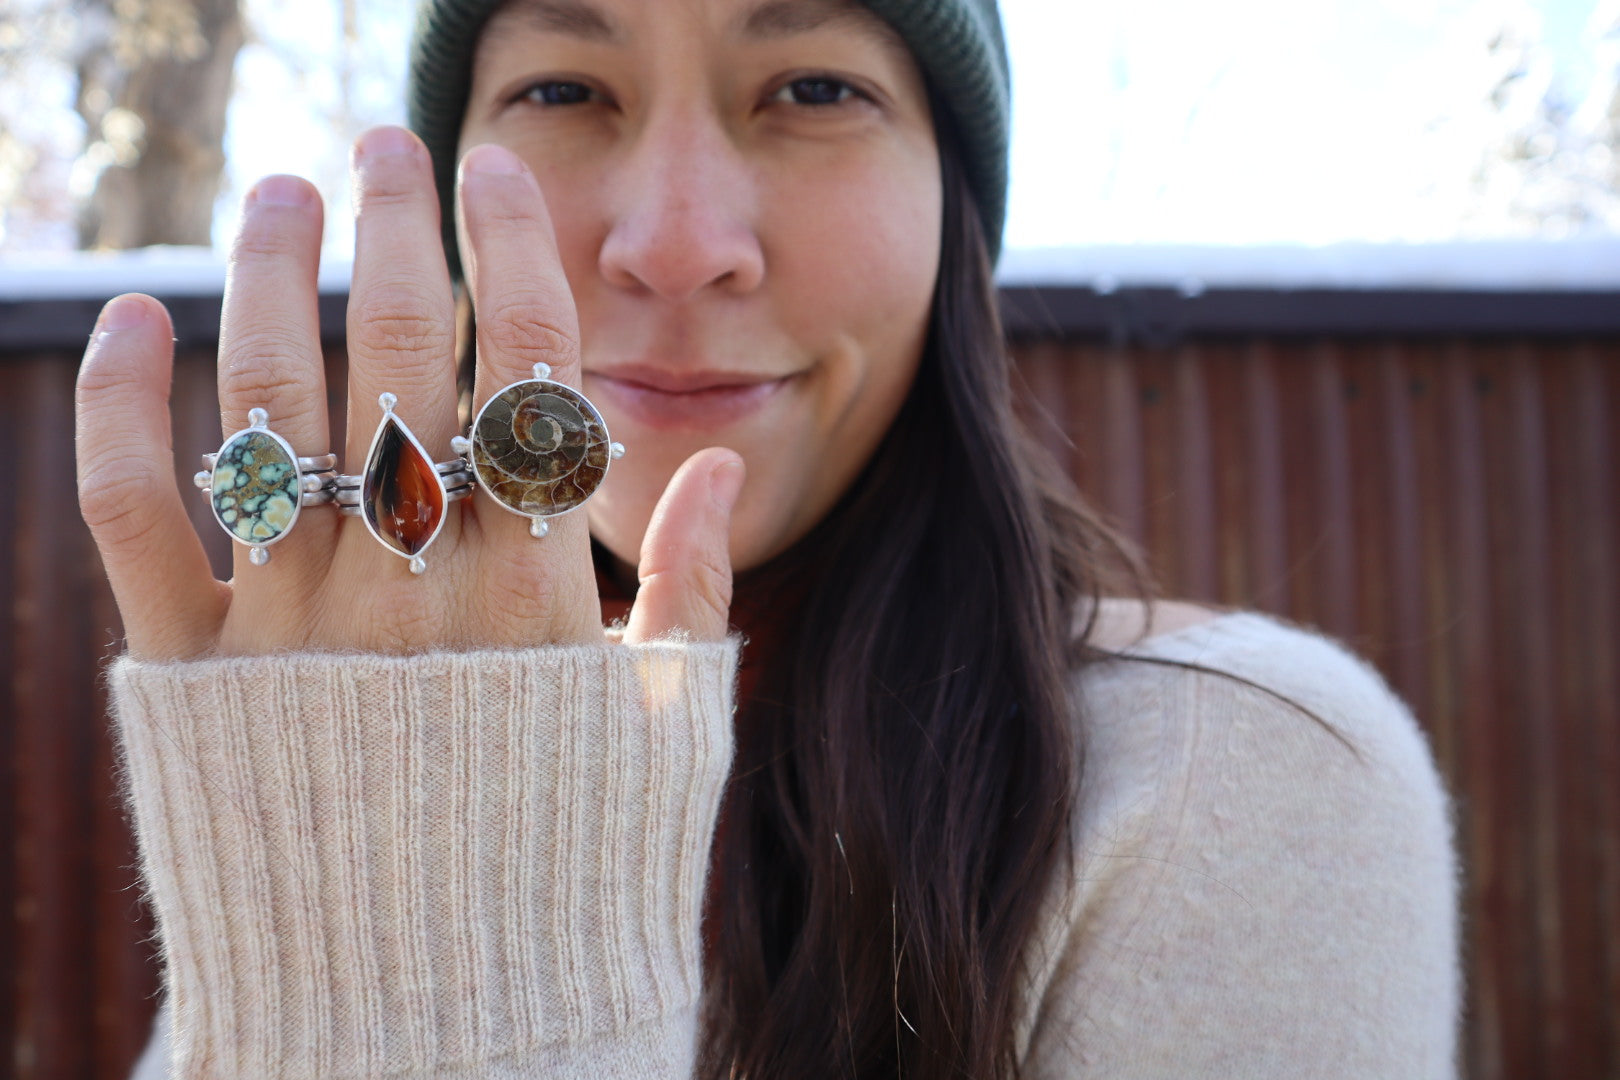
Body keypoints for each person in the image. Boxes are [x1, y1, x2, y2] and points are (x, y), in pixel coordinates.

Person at [76, 0, 1460, 1076]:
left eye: (814, 90)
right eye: (564, 90)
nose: (676, 245)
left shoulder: (1233, 774)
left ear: (955, 211)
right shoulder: (326, 721)